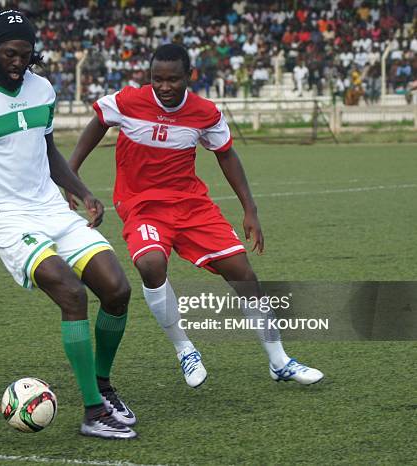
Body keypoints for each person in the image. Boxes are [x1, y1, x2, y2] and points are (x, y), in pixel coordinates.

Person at [0, 10, 136, 439]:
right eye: (10, 54)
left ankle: (102, 384)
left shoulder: (42, 89)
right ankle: (93, 413)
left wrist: (82, 192)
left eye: (26, 54)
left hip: (52, 211)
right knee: (72, 294)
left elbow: (48, 150)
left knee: (117, 290)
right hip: (6, 217)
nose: (19, 63)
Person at [67, 43, 324, 388]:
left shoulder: (205, 112)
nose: (164, 87)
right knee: (150, 264)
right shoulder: (128, 101)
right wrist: (71, 173)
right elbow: (99, 121)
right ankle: (185, 349)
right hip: (142, 205)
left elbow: (227, 155)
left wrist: (250, 209)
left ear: (189, 76)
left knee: (242, 272)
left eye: (173, 79)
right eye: (157, 79)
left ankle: (279, 361)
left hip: (191, 205)